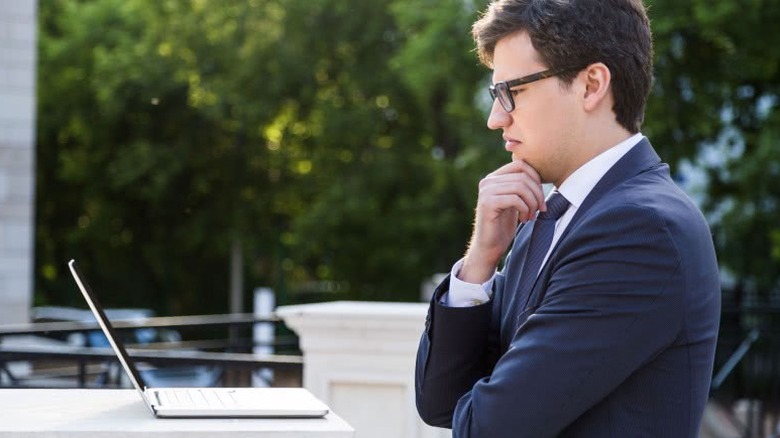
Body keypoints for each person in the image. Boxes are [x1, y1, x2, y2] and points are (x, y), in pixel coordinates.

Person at [414, 0, 721, 437]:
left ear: (591, 84)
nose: (495, 118)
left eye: (511, 92)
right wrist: (480, 260)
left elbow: (488, 428)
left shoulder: (640, 231)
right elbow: (439, 404)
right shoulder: (548, 215)